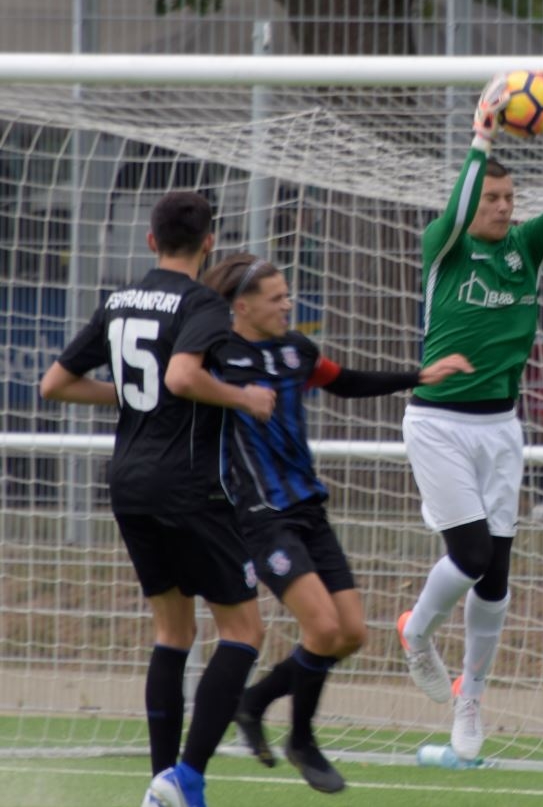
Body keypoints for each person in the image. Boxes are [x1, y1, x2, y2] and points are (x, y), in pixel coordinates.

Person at [200, 253, 472, 793]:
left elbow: (344, 380)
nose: (287, 304)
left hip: (308, 510)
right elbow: (179, 383)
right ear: (242, 305)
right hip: (262, 518)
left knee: (350, 634)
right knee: (322, 629)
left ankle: (253, 702)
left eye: (287, 295)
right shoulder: (216, 355)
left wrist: (418, 374)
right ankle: (301, 739)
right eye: (276, 298)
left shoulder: (297, 351)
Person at [39, 191, 276, 807]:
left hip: (128, 482)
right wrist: (243, 398)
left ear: (150, 241)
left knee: (173, 632)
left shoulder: (118, 301)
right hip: (188, 485)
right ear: (208, 243)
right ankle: (186, 778)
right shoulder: (201, 302)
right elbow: (180, 377)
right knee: (244, 631)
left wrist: (129, 398)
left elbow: (54, 385)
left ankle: (160, 785)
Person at [397, 71, 543, 761]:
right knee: (471, 554)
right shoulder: (443, 247)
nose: (506, 207)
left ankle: (469, 700)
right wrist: (480, 139)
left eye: (511, 197)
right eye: (494, 197)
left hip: (501, 429)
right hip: (439, 424)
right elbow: (453, 212)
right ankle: (417, 632)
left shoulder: (524, 249)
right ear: (469, 200)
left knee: (498, 574)